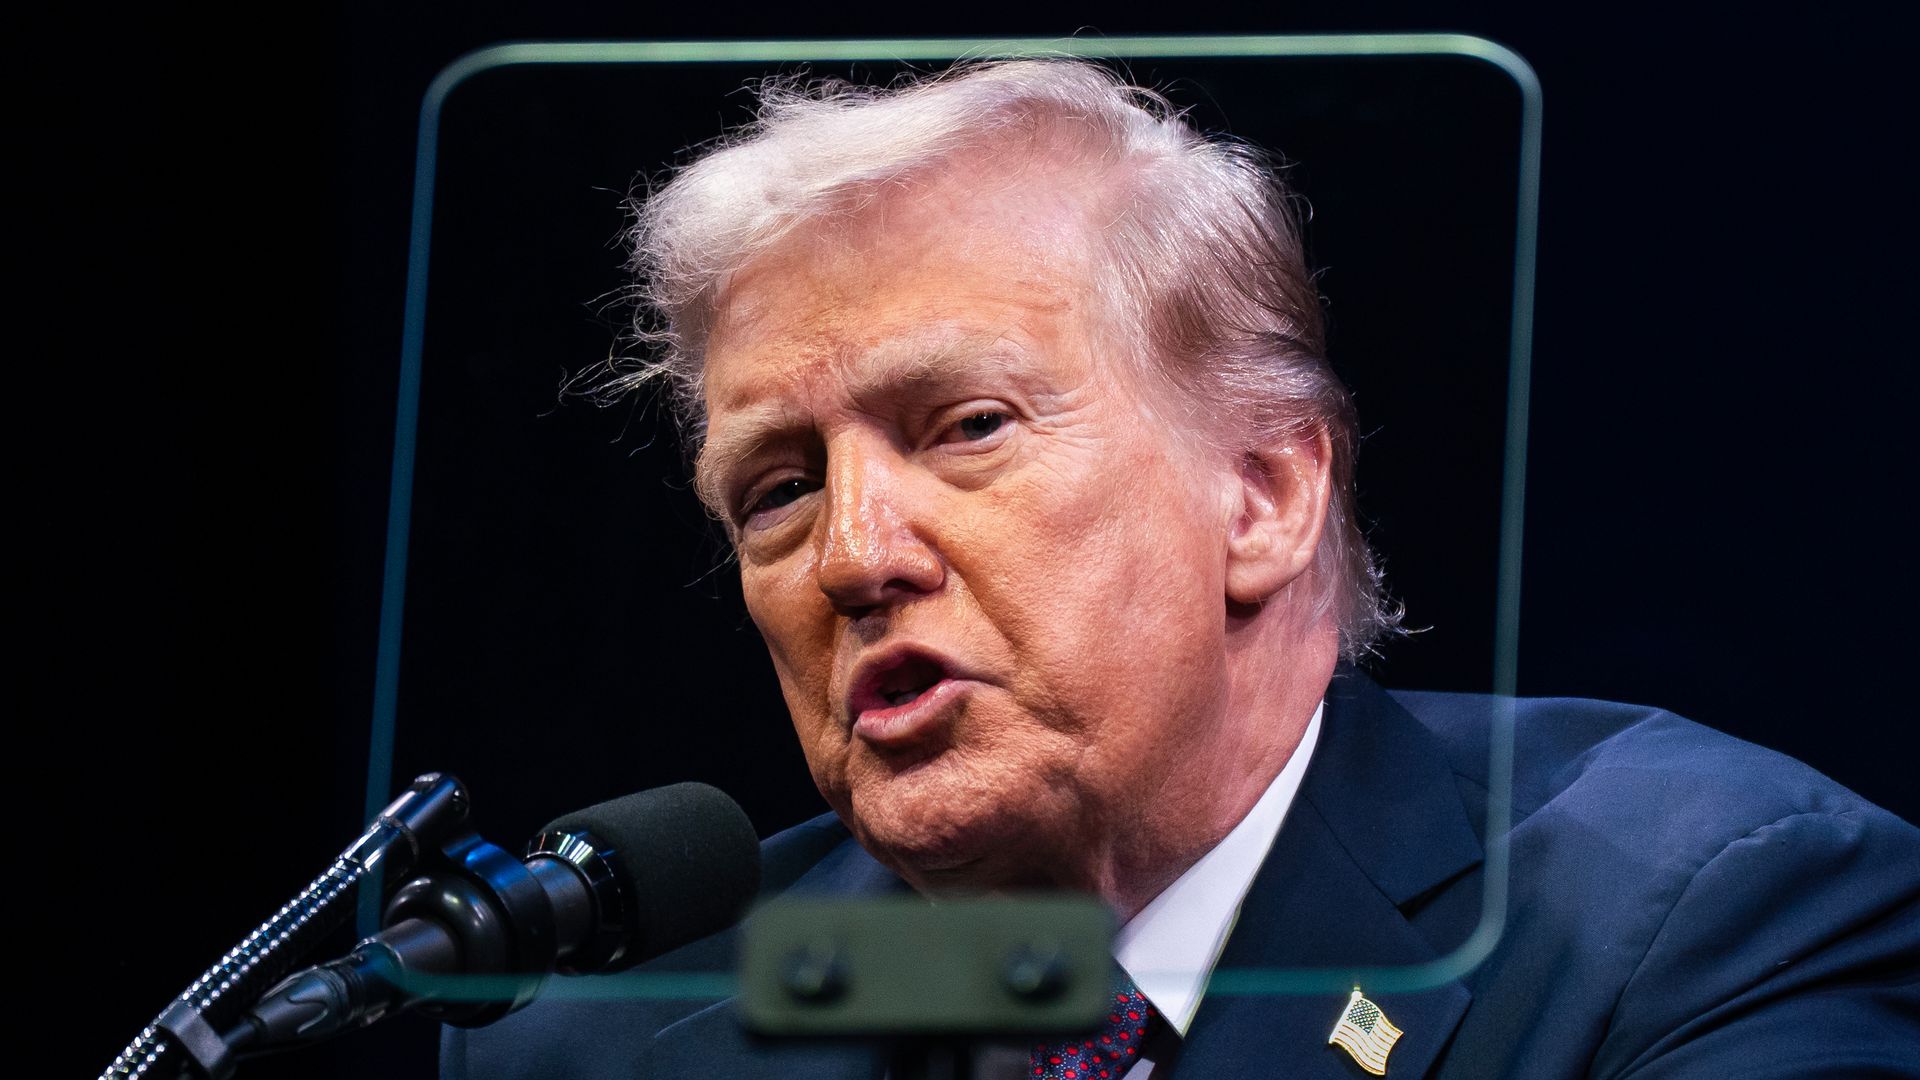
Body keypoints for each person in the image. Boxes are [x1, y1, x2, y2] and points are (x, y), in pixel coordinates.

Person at [445, 59, 1920, 1079]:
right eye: (776, 489)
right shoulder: (598, 1034)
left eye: (966, 427)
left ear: (1263, 495)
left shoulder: (1693, 915)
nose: (852, 556)